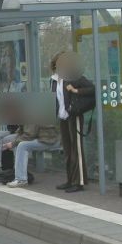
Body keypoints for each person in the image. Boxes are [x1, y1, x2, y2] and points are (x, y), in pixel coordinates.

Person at [53, 52, 95, 193]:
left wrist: (75, 90)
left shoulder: (74, 77)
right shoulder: (56, 80)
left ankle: (80, 182)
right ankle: (70, 180)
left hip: (74, 116)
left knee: (76, 149)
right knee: (68, 150)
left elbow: (92, 88)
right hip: (63, 118)